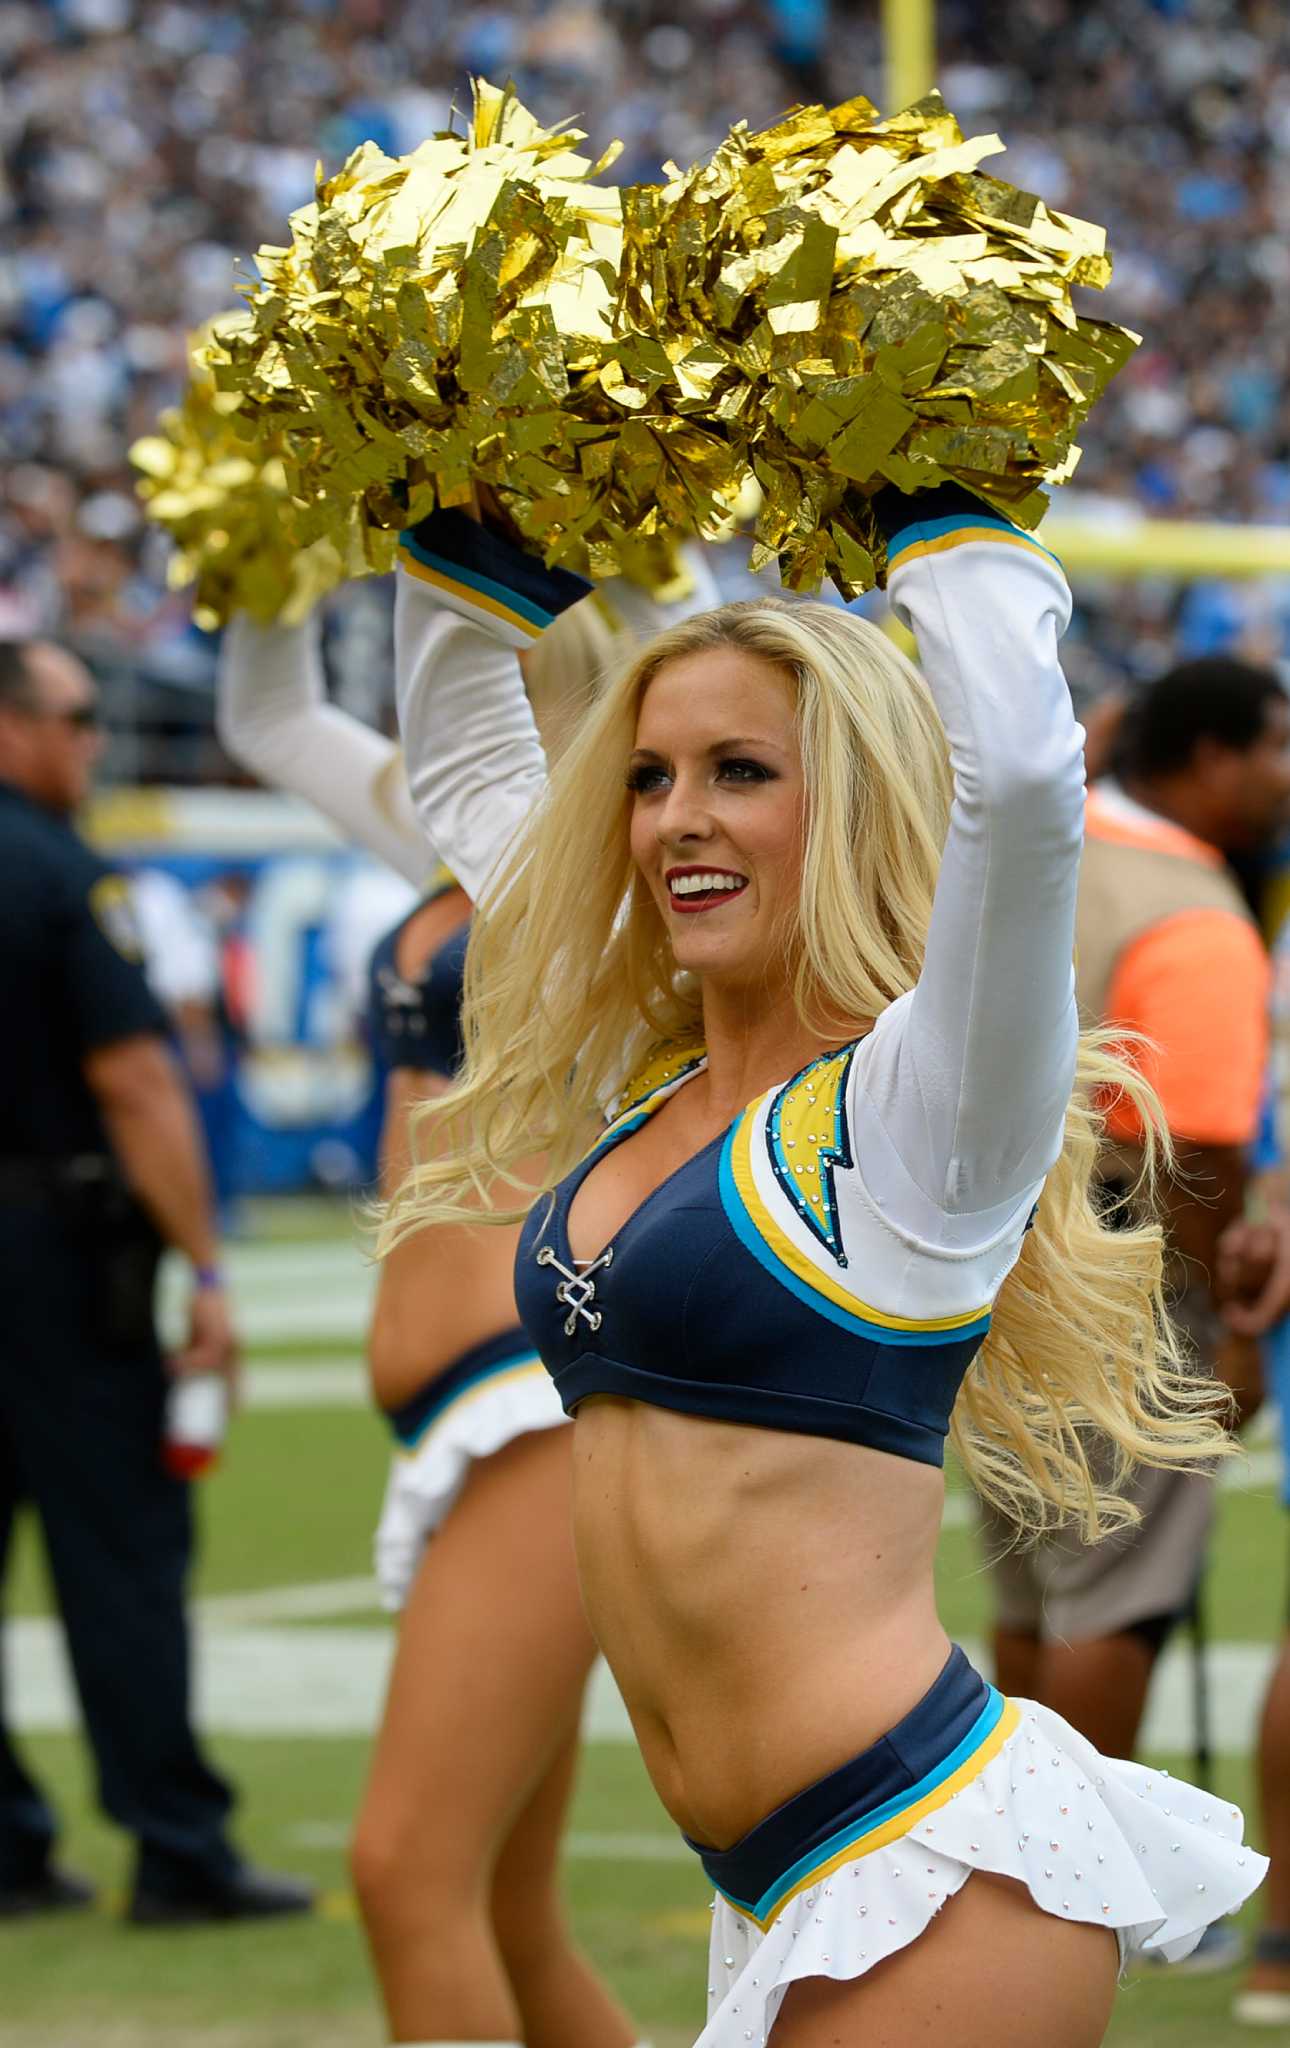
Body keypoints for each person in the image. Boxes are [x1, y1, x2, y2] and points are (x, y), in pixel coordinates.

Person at [382, 489, 1265, 2048]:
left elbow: (1018, 784)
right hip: (773, 1876)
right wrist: (477, 504)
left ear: (848, 802)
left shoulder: (924, 1113)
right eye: (649, 778)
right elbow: (459, 747)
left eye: (739, 773)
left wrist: (940, 506)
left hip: (924, 1864)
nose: (675, 819)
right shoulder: (641, 1071)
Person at [218, 558, 716, 2047]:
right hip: (461, 1410)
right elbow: (268, 717)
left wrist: (471, 503)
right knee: (501, 1904)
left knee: (403, 1871)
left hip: (526, 1402)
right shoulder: (468, 843)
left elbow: (461, 711)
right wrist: (256, 535)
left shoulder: (608, 880)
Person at [0, 636, 311, 1925]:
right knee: (121, 1552)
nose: (92, 742)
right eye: (73, 717)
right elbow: (136, 1079)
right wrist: (206, 1267)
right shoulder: (59, 873)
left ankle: (7, 1842)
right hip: (55, 1257)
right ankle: (175, 1842)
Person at [982, 658, 1290, 1771]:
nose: (1282, 777)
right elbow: (1198, 1148)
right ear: (1211, 758)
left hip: (1005, 1256)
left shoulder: (1051, 857)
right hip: (1128, 1272)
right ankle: (1068, 1874)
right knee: (1116, 1589)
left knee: (1031, 1579)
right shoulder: (1190, 908)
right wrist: (1232, 1337)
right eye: (1274, 748)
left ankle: (1011, 1847)